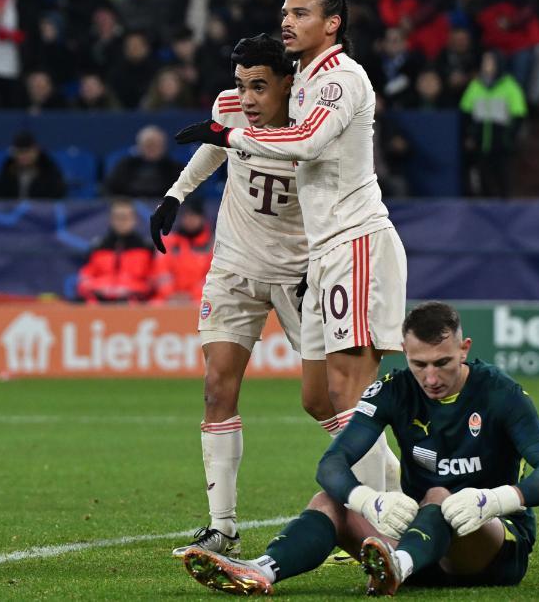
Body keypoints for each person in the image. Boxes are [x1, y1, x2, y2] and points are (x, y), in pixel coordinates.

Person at [156, 34, 384, 559]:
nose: (247, 98)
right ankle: (222, 526)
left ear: (290, 83)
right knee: (217, 386)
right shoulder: (230, 106)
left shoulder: (316, 123)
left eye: (259, 86)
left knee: (322, 400)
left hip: (300, 274)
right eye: (241, 85)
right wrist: (177, 193)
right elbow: (217, 144)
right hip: (234, 265)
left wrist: (322, 264)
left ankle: (388, 485)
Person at [176, 0, 405, 499]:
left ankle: (386, 521)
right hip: (323, 252)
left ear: (332, 24)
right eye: (285, 12)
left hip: (355, 240)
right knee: (319, 397)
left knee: (349, 395)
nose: (287, 20)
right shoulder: (302, 78)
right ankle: (391, 498)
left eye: (301, 13)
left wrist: (227, 135)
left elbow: (306, 141)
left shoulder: (339, 79)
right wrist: (181, 188)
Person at [182, 302, 539, 596]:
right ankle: (262, 570)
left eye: (443, 363)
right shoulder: (394, 391)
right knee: (329, 501)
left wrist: (496, 500)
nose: (431, 378)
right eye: (420, 364)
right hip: (421, 542)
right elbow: (333, 463)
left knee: (438, 494)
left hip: (492, 543)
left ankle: (396, 567)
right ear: (404, 352)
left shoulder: (500, 392)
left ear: (465, 349)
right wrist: (370, 502)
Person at [459, 51, 526, 197]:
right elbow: (466, 113)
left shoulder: (510, 86)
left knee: (503, 180)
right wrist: (470, 136)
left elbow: (518, 115)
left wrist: (508, 137)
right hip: (480, 143)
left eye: (490, 61)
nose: (486, 65)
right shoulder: (475, 85)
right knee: (482, 181)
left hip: (501, 144)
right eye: (484, 61)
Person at [76, 198, 155, 303]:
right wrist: (101, 288)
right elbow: (85, 279)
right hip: (100, 302)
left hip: (136, 304)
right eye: (117, 217)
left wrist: (130, 289)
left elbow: (153, 282)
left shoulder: (146, 248)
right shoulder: (98, 247)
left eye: (126, 217)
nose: (121, 222)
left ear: (134, 219)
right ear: (111, 219)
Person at [151, 198, 213, 303]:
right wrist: (170, 294)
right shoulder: (168, 241)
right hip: (168, 299)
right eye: (186, 216)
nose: (190, 220)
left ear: (202, 218)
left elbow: (211, 278)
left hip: (199, 299)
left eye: (194, 216)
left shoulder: (212, 245)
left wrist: (191, 296)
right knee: (153, 305)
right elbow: (161, 271)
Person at [104, 125, 183, 198]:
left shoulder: (174, 168)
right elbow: (109, 190)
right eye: (148, 145)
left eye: (156, 145)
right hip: (130, 208)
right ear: (139, 146)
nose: (152, 149)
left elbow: (184, 194)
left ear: (163, 146)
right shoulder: (125, 165)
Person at [0, 130, 67, 199]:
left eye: (28, 151)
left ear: (36, 151)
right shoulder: (7, 169)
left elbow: (57, 195)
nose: (24, 156)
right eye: (20, 152)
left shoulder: (48, 169)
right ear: (14, 153)